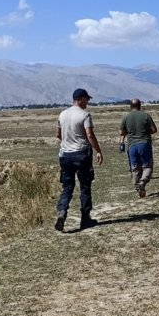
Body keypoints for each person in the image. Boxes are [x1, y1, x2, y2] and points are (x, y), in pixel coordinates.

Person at [55, 88, 104, 231]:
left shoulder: (62, 114)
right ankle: (85, 218)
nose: (88, 102)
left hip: (65, 155)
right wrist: (98, 150)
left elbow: (58, 135)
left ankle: (62, 211)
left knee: (67, 186)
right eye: (87, 99)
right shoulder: (84, 115)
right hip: (82, 154)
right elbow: (90, 134)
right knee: (85, 186)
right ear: (81, 99)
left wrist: (68, 142)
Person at [119, 98, 158, 197]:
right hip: (144, 144)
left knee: (135, 168)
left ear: (130, 106)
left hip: (132, 145)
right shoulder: (146, 115)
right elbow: (154, 130)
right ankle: (142, 182)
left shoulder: (126, 117)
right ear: (140, 106)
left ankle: (138, 188)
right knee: (147, 166)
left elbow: (121, 132)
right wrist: (146, 132)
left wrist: (124, 139)